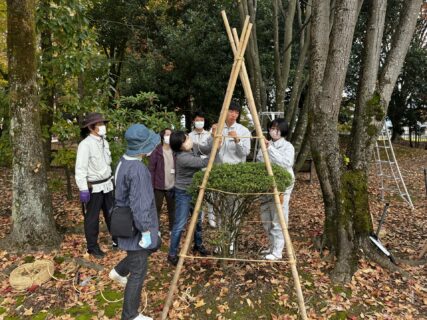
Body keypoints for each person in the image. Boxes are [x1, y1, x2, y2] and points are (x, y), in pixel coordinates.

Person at [109, 124, 161, 320]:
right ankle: (130, 315)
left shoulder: (123, 161)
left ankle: (119, 271)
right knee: (138, 271)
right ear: (143, 147)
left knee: (154, 245)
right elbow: (140, 205)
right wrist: (146, 231)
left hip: (125, 218)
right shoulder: (138, 170)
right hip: (135, 224)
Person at [210, 102, 251, 247]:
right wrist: (214, 138)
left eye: (236, 112)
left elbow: (246, 152)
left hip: (236, 174)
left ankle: (232, 241)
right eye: (231, 111)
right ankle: (220, 242)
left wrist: (237, 139)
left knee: (234, 209)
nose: (233, 115)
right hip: (219, 173)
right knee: (219, 208)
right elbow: (212, 152)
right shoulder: (216, 127)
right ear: (224, 112)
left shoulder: (244, 130)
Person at [167, 131, 212, 266]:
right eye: (186, 140)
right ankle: (172, 253)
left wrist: (214, 137)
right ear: (180, 146)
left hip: (195, 190)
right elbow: (205, 162)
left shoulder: (191, 147)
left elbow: (206, 149)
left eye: (187, 138)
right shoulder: (182, 158)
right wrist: (216, 148)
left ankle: (198, 244)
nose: (189, 140)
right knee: (180, 224)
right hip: (183, 193)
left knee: (197, 221)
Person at [75, 112, 116, 258]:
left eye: (103, 124)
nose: (103, 126)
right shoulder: (85, 145)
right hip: (94, 187)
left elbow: (107, 163)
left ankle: (117, 239)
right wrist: (83, 189)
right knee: (92, 218)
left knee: (111, 213)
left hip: (107, 185)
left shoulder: (105, 142)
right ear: (91, 127)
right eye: (99, 124)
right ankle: (92, 247)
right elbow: (80, 169)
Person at [256, 118, 295, 261]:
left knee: (279, 216)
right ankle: (271, 246)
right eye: (272, 128)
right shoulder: (265, 144)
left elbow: (286, 163)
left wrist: (270, 149)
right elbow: (260, 161)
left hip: (282, 184)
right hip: (266, 183)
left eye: (277, 129)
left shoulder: (288, 146)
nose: (274, 131)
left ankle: (278, 251)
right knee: (266, 216)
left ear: (283, 130)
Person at [148, 128, 175, 232]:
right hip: (159, 186)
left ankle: (172, 230)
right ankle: (156, 230)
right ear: (163, 137)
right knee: (156, 209)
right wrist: (151, 186)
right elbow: (151, 169)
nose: (169, 136)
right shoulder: (157, 151)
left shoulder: (175, 151)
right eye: (167, 134)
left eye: (171, 134)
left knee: (172, 210)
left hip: (172, 185)